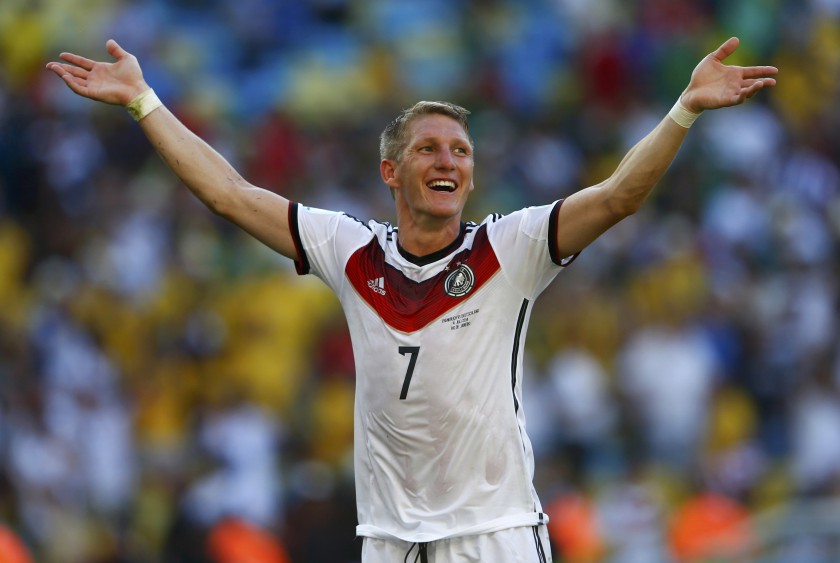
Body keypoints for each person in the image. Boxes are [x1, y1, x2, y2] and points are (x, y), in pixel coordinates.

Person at [46, 37, 776, 563]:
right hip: (390, 539)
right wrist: (142, 100)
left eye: (460, 150)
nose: (449, 160)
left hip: (493, 533)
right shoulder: (350, 250)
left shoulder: (510, 248)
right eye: (430, 148)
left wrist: (683, 109)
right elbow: (228, 192)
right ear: (391, 170)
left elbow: (619, 195)